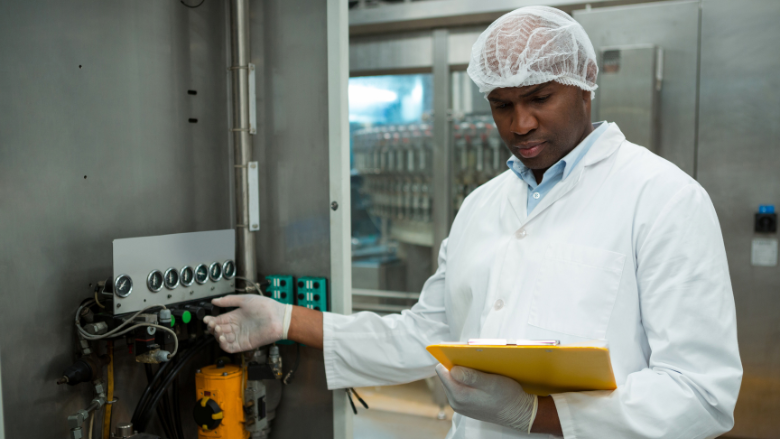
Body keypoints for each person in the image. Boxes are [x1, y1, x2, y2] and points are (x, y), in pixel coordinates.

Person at [204, 6, 742, 438]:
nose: (520, 123)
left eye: (540, 98)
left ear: (586, 83)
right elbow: (426, 335)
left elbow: (701, 395)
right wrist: (285, 320)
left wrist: (535, 415)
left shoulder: (663, 199)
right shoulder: (483, 205)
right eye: (501, 105)